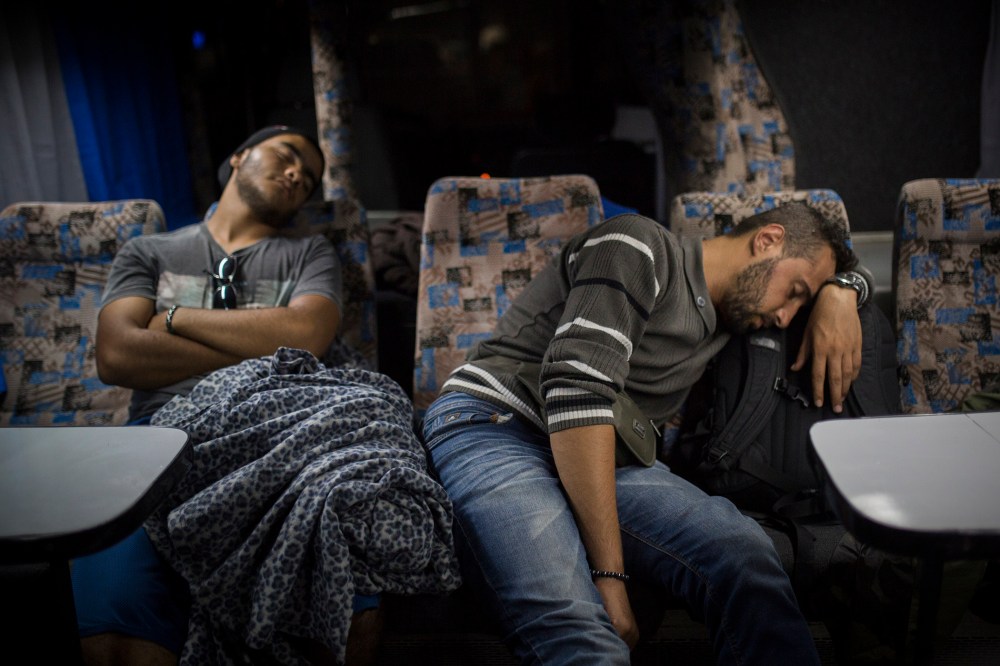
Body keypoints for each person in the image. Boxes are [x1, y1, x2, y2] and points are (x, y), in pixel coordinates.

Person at [421, 204, 869, 665]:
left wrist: (843, 291)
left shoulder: (728, 320)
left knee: (747, 554)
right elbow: (578, 394)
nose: (786, 318)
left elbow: (855, 277)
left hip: (608, 455)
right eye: (795, 292)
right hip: (499, 423)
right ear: (768, 240)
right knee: (581, 630)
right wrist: (610, 576)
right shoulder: (638, 244)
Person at [70, 125, 381, 665]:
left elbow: (307, 337)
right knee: (113, 629)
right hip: (155, 434)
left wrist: (169, 320)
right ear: (238, 156)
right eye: (287, 156)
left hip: (274, 431)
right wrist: (264, 342)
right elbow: (116, 356)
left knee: (352, 613)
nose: (295, 175)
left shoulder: (310, 253)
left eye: (307, 179)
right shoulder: (150, 251)